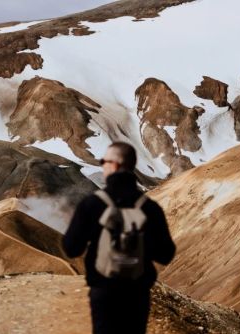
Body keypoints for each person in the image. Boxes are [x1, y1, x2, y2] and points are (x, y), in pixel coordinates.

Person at [63, 142, 176, 334]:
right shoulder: (149, 208)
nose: (102, 165)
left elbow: (72, 248)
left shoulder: (93, 204)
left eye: (103, 161)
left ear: (114, 165)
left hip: (103, 289)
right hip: (137, 292)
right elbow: (165, 254)